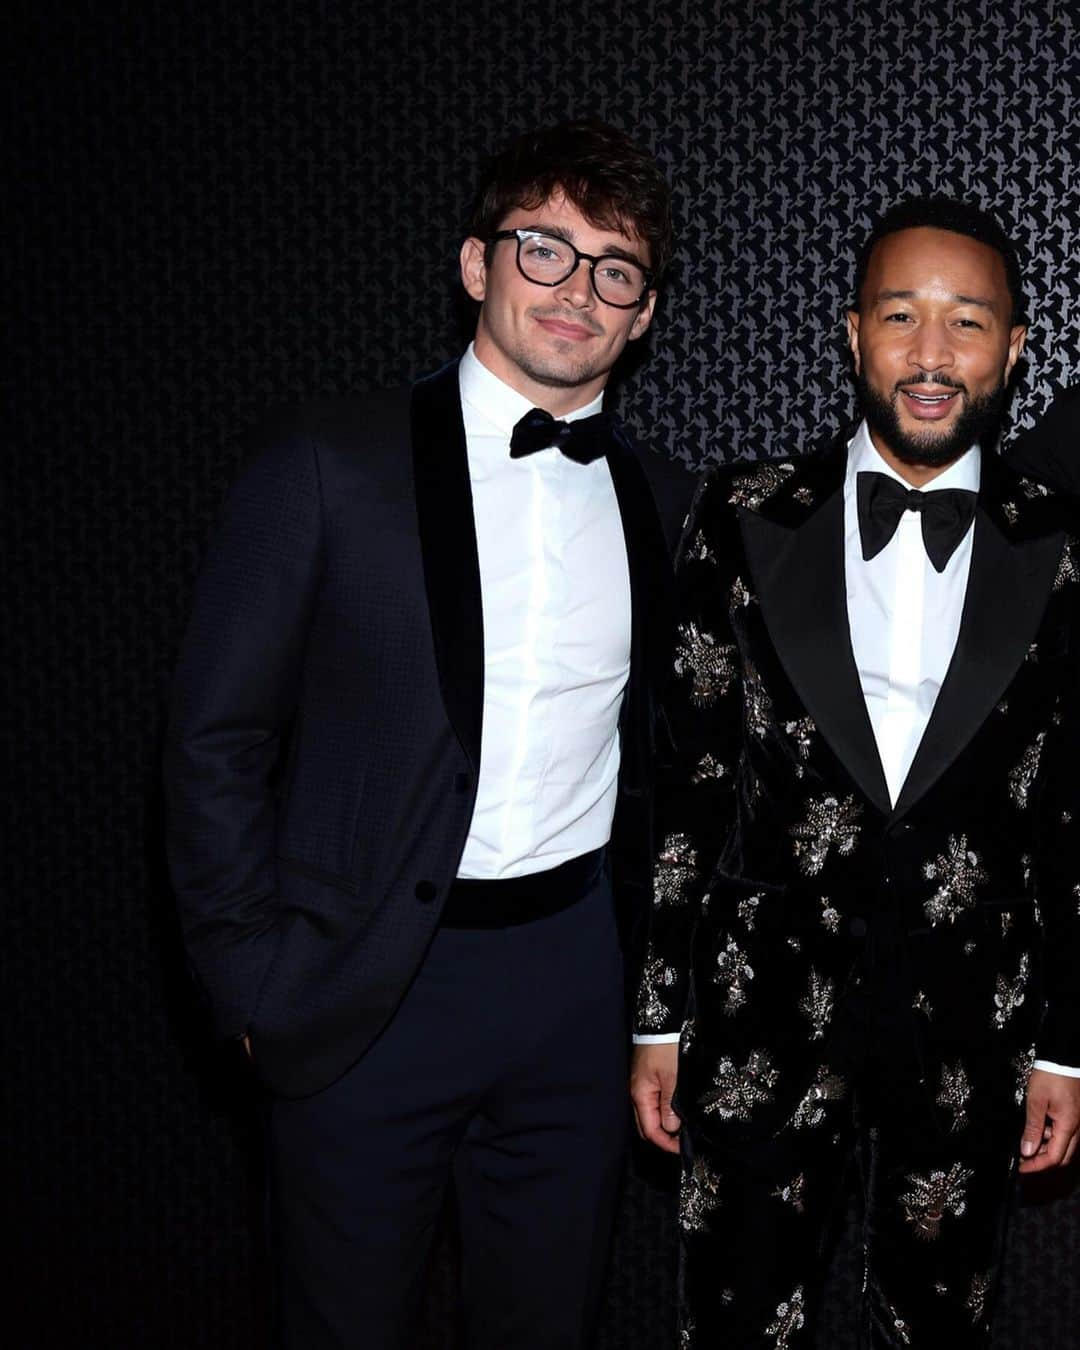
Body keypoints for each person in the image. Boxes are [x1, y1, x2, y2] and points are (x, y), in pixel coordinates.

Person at [164, 119, 693, 1350]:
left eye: (615, 269)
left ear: (645, 312)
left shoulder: (667, 503)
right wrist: (250, 979)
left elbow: (678, 765)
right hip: (365, 994)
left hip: (571, 992)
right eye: (544, 250)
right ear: (475, 264)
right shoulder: (326, 464)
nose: (578, 291)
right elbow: (212, 740)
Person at [630, 196, 1080, 1347]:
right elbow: (685, 783)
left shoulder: (1068, 546)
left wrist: (1067, 1045)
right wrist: (657, 1018)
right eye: (900, 317)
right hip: (758, 1019)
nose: (931, 356)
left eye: (968, 322)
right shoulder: (738, 516)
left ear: (1017, 349)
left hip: (973, 1032)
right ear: (851, 334)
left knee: (940, 1327)